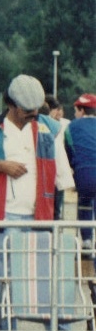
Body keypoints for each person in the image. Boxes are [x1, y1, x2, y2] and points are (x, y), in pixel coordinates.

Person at [0, 75, 78, 331]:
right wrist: (0, 166)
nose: (33, 115)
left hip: (39, 218)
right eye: (27, 111)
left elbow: (63, 174)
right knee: (0, 286)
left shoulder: (49, 128)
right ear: (10, 104)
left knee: (47, 282)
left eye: (36, 110)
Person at [70, 93, 96, 253]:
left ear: (81, 110)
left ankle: (86, 240)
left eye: (75, 111)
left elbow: (68, 150)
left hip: (84, 174)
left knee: (84, 203)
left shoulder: (72, 126)